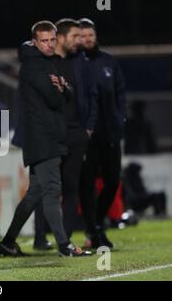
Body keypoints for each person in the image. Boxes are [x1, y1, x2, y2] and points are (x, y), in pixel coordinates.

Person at [0, 21, 90, 258]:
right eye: (44, 41)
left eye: (52, 40)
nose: (49, 45)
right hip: (42, 139)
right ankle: (64, 245)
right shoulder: (33, 66)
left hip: (47, 137)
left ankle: (7, 243)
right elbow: (55, 99)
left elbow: (66, 92)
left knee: (35, 195)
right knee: (52, 191)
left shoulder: (46, 63)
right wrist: (61, 91)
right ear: (35, 42)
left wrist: (62, 89)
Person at [78, 18, 126, 249]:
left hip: (110, 134)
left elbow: (120, 94)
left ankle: (97, 223)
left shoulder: (109, 62)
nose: (87, 39)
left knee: (113, 180)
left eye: (90, 35)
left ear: (95, 36)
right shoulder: (76, 62)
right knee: (86, 184)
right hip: (87, 137)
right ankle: (93, 231)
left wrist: (120, 119)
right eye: (83, 35)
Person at [53, 18, 98, 239]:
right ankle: (42, 237)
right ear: (61, 38)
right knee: (46, 188)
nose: (79, 41)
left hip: (76, 133)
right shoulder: (45, 61)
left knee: (72, 186)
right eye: (75, 37)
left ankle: (66, 238)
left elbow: (92, 95)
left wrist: (88, 127)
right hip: (53, 135)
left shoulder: (81, 62)